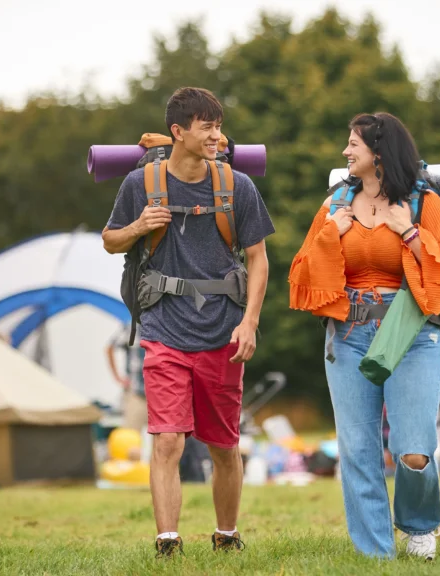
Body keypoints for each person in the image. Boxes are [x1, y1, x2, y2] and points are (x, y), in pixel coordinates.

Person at [288, 112, 440, 560]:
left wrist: (407, 231)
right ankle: (376, 555)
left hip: (410, 334)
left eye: (354, 144)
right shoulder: (336, 204)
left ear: (379, 153)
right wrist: (334, 234)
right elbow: (302, 269)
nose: (346, 152)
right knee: (357, 448)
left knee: (413, 448)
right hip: (347, 333)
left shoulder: (423, 203)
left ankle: (420, 525)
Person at [102, 87, 275, 558]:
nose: (217, 135)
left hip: (223, 330)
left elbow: (258, 260)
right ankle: (167, 543)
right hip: (163, 329)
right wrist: (139, 226)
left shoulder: (238, 185)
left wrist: (250, 322)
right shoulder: (140, 184)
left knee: (224, 446)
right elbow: (110, 240)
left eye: (219, 126)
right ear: (178, 132)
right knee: (167, 441)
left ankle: (226, 533)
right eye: (207, 127)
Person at [107, 326, 147, 433]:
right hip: (135, 393)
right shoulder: (131, 327)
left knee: (160, 441)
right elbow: (110, 347)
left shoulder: (162, 326)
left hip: (158, 393)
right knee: (130, 436)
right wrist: (118, 377)